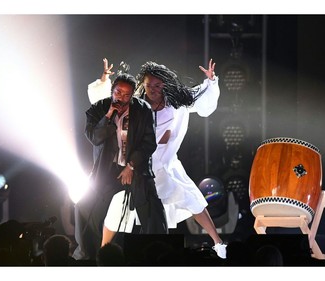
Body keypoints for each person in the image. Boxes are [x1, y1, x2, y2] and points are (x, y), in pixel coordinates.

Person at [87, 58, 227, 259]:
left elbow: (200, 99)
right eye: (148, 85)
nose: (152, 89)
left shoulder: (176, 104)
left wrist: (211, 82)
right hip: (138, 166)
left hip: (165, 166)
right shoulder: (135, 105)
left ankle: (219, 243)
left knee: (191, 198)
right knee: (118, 209)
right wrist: (104, 81)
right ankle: (103, 253)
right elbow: (108, 101)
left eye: (157, 85)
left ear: (164, 85)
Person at [73, 72, 167, 261]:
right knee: (84, 207)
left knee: (152, 212)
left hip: (136, 168)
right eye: (118, 92)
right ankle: (86, 256)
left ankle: (159, 259)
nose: (121, 98)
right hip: (107, 170)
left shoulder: (143, 110)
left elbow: (149, 143)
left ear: (132, 95)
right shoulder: (98, 109)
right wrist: (109, 115)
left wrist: (131, 166)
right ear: (112, 90)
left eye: (126, 95)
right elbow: (94, 138)